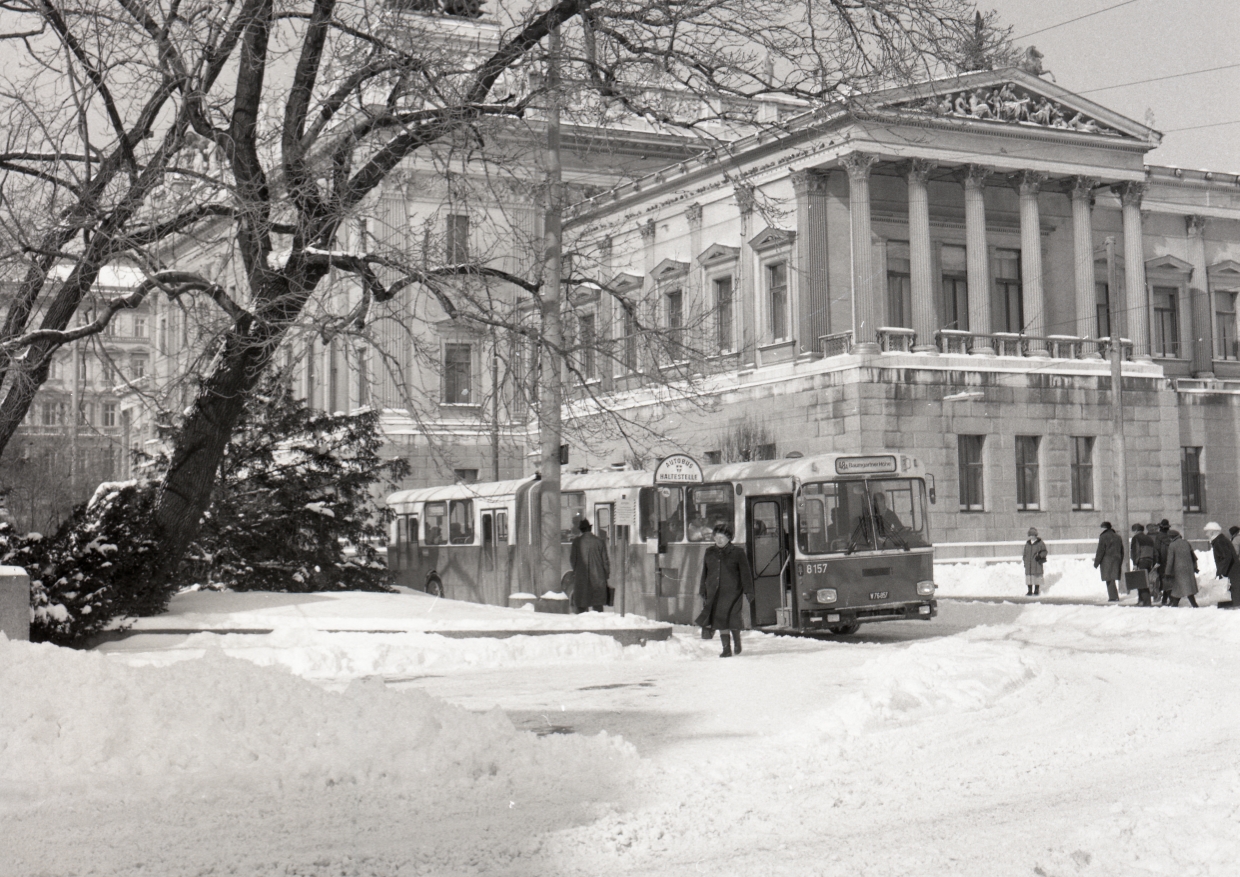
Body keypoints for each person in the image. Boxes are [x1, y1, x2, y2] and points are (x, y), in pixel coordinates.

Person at [695, 522, 754, 657]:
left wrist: (748, 591)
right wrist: (702, 589)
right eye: (716, 536)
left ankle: (737, 640)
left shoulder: (738, 552)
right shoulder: (709, 552)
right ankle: (726, 649)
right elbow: (705, 571)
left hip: (733, 592)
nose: (719, 539)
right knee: (720, 620)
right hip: (715, 592)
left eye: (722, 537)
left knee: (733, 619)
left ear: (729, 538)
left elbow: (745, 573)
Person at [569, 519, 611, 614]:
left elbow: (572, 560)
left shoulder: (577, 542)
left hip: (581, 577)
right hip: (598, 577)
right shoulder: (600, 541)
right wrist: (606, 575)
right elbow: (605, 561)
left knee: (582, 606)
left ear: (581, 530)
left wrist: (577, 572)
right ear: (590, 528)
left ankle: (582, 627)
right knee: (598, 607)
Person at [1205, 522, 1240, 608]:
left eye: (1207, 532)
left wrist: (1221, 571)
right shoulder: (1220, 540)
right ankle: (1236, 605)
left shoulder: (1219, 541)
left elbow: (1226, 557)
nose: (1206, 534)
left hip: (1232, 569)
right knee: (1234, 588)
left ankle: (1236, 608)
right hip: (1232, 568)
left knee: (1235, 588)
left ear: (1212, 532)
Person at [1163, 529, 1198, 607]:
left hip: (1179, 570)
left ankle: (1194, 605)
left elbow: (1170, 560)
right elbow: (1193, 556)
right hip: (1188, 569)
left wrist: (1167, 572)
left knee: (1183, 588)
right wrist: (1195, 567)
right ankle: (1175, 604)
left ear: (1171, 537)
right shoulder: (1186, 543)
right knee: (1183, 588)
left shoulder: (1172, 545)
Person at [1094, 521, 1125, 603]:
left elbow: (1100, 550)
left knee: (1109, 578)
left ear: (1104, 528)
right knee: (1112, 578)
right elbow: (1122, 550)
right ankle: (1114, 596)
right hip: (1116, 559)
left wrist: (1096, 562)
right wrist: (1120, 560)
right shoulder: (1118, 537)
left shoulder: (1103, 537)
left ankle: (1113, 597)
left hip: (1107, 560)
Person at [1130, 524, 1157, 607]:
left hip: (1141, 561)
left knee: (1141, 582)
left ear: (1136, 530)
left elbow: (1136, 551)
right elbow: (1154, 551)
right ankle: (1141, 600)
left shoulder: (1136, 538)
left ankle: (1146, 601)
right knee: (1144, 581)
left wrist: (1135, 563)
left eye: (1133, 531)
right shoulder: (1149, 538)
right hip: (1149, 561)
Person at [1022, 527, 1047, 597]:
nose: (1032, 537)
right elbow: (1024, 554)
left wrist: (1040, 556)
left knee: (1037, 577)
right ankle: (1029, 590)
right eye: (1030, 535)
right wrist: (1025, 561)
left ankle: (1036, 590)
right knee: (1029, 577)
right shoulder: (1027, 544)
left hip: (1036, 563)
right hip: (1029, 564)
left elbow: (1044, 551)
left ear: (1036, 535)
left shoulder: (1040, 543)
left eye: (1033, 535)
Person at [1154, 519, 1174, 606]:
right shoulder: (1172, 536)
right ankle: (1165, 600)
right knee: (1168, 579)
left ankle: (1171, 599)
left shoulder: (1158, 537)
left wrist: (1157, 561)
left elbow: (1156, 550)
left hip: (1162, 561)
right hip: (1171, 560)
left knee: (1164, 580)